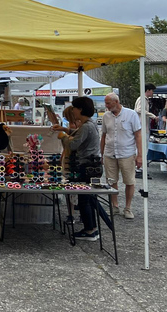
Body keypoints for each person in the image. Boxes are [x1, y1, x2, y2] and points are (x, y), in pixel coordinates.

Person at [101, 92, 142, 219]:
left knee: (129, 181)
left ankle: (128, 208)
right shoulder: (106, 116)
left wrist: (139, 155)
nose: (106, 106)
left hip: (127, 153)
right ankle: (115, 206)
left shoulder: (131, 114)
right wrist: (101, 154)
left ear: (116, 102)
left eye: (108, 103)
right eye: (106, 103)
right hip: (110, 153)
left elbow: (138, 135)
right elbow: (103, 136)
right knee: (111, 180)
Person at [68, 97, 103, 241]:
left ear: (80, 109)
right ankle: (92, 228)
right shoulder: (90, 124)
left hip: (87, 166)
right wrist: (66, 131)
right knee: (88, 198)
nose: (73, 111)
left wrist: (64, 137)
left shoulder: (86, 126)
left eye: (74, 108)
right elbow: (78, 136)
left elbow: (73, 145)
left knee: (84, 199)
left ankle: (89, 230)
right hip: (93, 165)